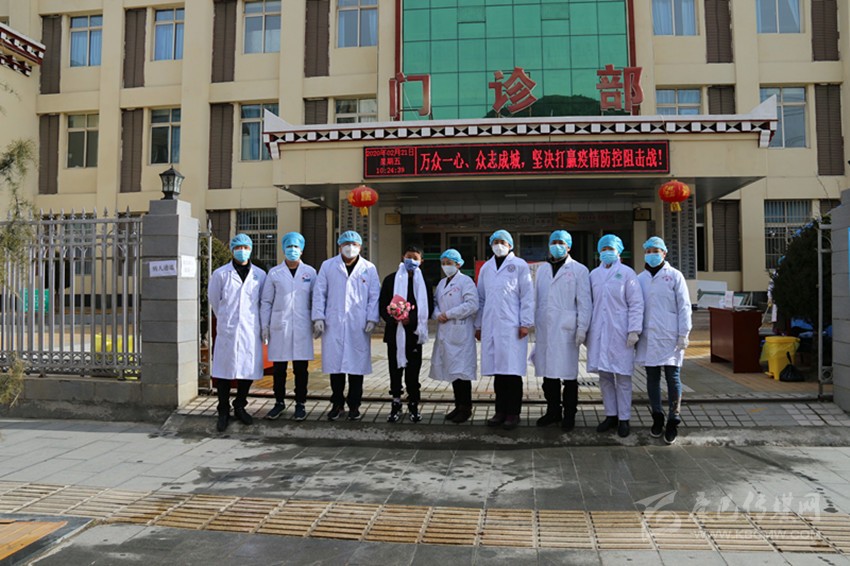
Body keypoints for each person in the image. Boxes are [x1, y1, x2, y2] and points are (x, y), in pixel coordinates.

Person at [312, 230, 380, 421]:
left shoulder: (369, 268)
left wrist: (372, 318)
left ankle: (354, 405)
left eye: (354, 244)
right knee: (336, 368)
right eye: (346, 244)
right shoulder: (328, 266)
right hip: (333, 323)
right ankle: (337, 404)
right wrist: (318, 317)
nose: (350, 247)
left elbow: (374, 295)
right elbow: (319, 292)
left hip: (358, 324)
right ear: (339, 246)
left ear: (360, 247)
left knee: (356, 369)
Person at [532, 230, 592, 432]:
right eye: (553, 242)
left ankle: (569, 414)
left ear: (568, 246)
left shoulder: (579, 270)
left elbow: (585, 302)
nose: (556, 245)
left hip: (567, 329)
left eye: (561, 242)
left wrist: (582, 328)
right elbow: (536, 298)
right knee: (549, 375)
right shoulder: (542, 270)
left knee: (569, 376)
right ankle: (553, 411)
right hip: (545, 328)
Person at [475, 229, 534, 430]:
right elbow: (480, 298)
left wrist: (525, 323)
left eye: (503, 242)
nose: (499, 245)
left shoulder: (519, 265)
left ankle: (513, 413)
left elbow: (527, 296)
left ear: (510, 245)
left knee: (512, 373)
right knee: (498, 373)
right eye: (495, 242)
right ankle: (499, 411)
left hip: (512, 326)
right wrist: (478, 325)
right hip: (491, 326)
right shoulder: (486, 268)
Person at [635, 236, 692, 445]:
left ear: (664, 253)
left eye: (655, 251)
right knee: (652, 378)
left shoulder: (675, 276)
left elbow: (684, 306)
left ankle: (673, 418)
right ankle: (657, 416)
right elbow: (635, 307)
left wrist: (684, 333)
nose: (651, 254)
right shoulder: (640, 279)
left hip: (670, 335)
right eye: (648, 251)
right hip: (648, 335)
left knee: (672, 377)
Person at [586, 234, 644, 438]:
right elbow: (588, 304)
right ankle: (610, 415)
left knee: (623, 377)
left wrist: (634, 330)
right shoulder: (593, 275)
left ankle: (624, 419)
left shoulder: (627, 274)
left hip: (621, 332)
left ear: (618, 251)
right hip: (599, 332)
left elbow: (636, 303)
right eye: (603, 249)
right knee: (605, 377)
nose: (607, 252)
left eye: (610, 248)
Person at [208, 233, 267, 432]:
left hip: (250, 328)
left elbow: (263, 302)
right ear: (232, 250)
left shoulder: (260, 275)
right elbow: (215, 300)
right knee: (224, 371)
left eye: (246, 247)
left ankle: (240, 405)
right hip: (229, 329)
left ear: (251, 250)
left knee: (247, 369)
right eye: (238, 247)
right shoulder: (220, 274)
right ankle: (223, 409)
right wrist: (226, 318)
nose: (242, 251)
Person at [260, 232, 316, 422]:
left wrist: (317, 320)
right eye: (289, 247)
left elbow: (316, 299)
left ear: (302, 250)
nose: (293, 250)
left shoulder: (310, 272)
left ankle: (300, 403)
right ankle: (279, 402)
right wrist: (265, 324)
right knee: (279, 369)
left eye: (296, 247)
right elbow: (266, 301)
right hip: (280, 326)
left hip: (302, 326)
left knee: (301, 369)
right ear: (284, 249)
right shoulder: (274, 273)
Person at [379, 245, 434, 423]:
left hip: (414, 333)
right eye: (409, 257)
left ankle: (413, 403)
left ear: (421, 261)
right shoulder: (390, 280)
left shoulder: (425, 282)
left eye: (415, 258)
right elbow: (382, 305)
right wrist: (394, 317)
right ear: (402, 257)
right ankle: (396, 402)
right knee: (395, 370)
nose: (411, 261)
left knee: (413, 372)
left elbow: (428, 307)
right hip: (394, 333)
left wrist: (412, 319)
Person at [429, 249, 479, 424]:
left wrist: (449, 314)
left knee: (462, 373)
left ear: (458, 264)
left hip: (460, 331)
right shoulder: (442, 283)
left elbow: (472, 304)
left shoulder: (466, 281)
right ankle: (458, 406)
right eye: (443, 263)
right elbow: (435, 303)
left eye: (449, 263)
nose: (446, 266)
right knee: (453, 373)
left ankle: (466, 408)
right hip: (446, 331)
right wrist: (438, 314)